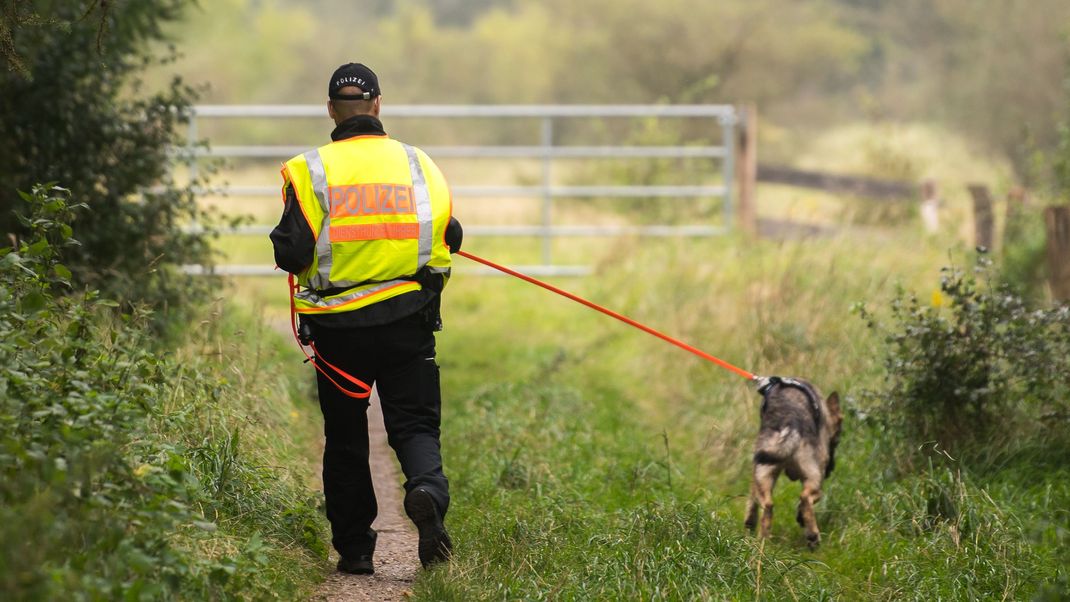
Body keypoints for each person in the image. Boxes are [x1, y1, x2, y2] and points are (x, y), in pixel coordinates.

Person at [270, 62, 461, 575]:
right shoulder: (418, 164)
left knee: (347, 435)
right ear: (377, 106)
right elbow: (449, 232)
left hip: (339, 331)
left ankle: (355, 549)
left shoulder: (308, 170)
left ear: (332, 111)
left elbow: (293, 252)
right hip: (408, 320)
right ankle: (425, 492)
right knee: (416, 424)